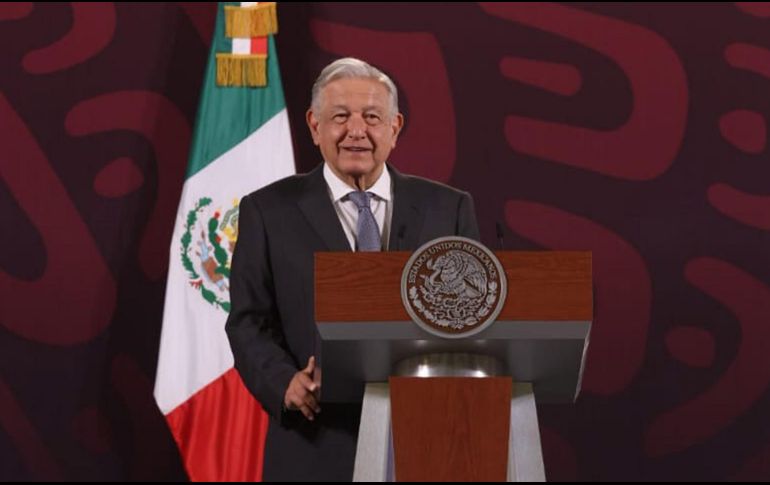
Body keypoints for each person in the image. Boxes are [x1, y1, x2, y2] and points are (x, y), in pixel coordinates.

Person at [225, 57, 481, 481]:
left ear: (395, 128)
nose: (356, 131)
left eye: (372, 118)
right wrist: (285, 382)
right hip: (314, 443)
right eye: (340, 117)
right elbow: (248, 321)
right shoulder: (267, 211)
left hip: (428, 441)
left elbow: (475, 319)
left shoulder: (449, 208)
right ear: (314, 125)